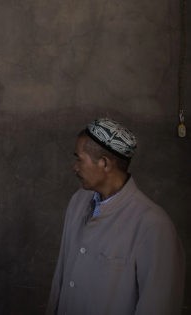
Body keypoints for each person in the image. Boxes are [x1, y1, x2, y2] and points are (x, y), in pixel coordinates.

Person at [46, 118, 185, 315]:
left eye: (79, 159)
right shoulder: (78, 202)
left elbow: (160, 305)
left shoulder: (153, 226)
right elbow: (60, 279)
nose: (74, 167)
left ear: (104, 164)